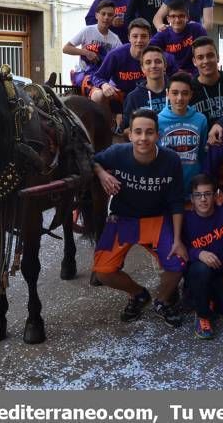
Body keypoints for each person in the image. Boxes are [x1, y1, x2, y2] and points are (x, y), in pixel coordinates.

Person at [92, 109, 188, 327]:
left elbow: (176, 201)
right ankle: (138, 294)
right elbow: (92, 160)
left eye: (149, 132)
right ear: (130, 134)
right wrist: (102, 173)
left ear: (158, 135)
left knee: (178, 263)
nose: (143, 138)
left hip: (156, 218)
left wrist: (177, 239)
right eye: (138, 132)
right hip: (123, 218)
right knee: (102, 272)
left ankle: (162, 301)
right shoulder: (117, 153)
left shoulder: (171, 160)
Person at [90, 18, 176, 126]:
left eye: (144, 36)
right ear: (129, 38)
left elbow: (176, 78)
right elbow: (97, 76)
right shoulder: (116, 55)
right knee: (98, 95)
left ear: (150, 38)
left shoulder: (160, 57)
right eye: (135, 36)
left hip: (150, 98)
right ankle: (109, 129)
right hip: (121, 98)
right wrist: (104, 84)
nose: (139, 40)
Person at [183, 174, 223, 339]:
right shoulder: (185, 220)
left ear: (215, 196)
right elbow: (180, 248)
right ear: (192, 199)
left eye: (207, 194)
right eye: (198, 195)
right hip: (198, 274)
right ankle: (202, 315)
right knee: (201, 269)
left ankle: (214, 300)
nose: (203, 199)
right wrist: (198, 253)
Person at [158, 73, 209, 199]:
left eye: (185, 93)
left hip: (194, 188)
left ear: (191, 95)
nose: (179, 98)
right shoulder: (157, 120)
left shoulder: (201, 119)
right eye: (175, 93)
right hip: (167, 187)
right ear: (167, 94)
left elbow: (203, 153)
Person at [63, 0, 123, 94]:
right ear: (96, 15)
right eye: (103, 14)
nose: (106, 17)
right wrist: (86, 53)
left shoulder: (115, 39)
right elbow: (66, 48)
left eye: (110, 15)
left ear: (113, 18)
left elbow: (121, 58)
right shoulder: (87, 31)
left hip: (104, 75)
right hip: (84, 74)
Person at [189, 37, 223, 127]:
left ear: (217, 57)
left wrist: (222, 123)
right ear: (194, 62)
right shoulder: (189, 90)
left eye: (210, 55)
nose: (206, 61)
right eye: (200, 57)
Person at [149, 0, 208, 75]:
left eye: (181, 16)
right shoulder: (163, 33)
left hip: (194, 74)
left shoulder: (196, 29)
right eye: (173, 16)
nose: (177, 20)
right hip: (171, 76)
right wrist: (174, 66)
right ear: (168, 19)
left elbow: (205, 51)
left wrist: (193, 74)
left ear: (187, 17)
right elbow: (150, 50)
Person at [121, 46, 170, 134]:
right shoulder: (133, 97)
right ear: (142, 69)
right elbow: (125, 130)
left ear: (165, 66)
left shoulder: (175, 91)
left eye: (158, 61)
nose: (153, 65)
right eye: (148, 62)